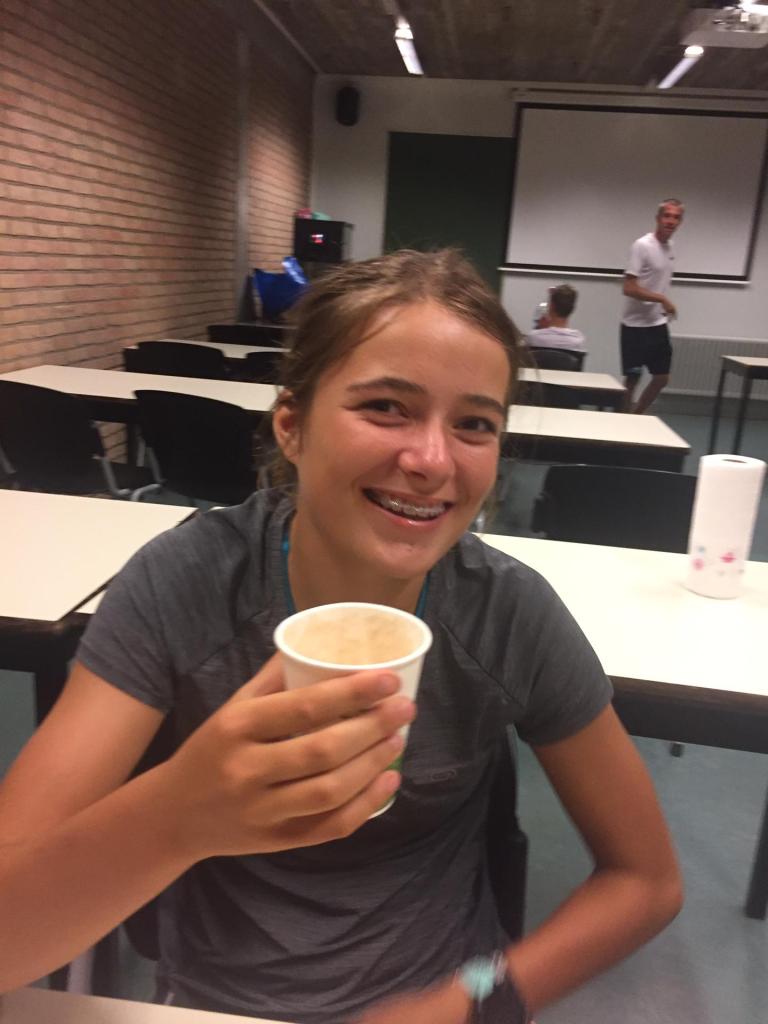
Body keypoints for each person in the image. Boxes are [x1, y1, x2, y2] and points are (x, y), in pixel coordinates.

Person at [0, 250, 682, 1024]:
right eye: (386, 407)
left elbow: (647, 880)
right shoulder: (185, 585)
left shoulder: (507, 614)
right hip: (217, 1003)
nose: (431, 461)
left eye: (474, 424)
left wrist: (466, 1003)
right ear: (291, 426)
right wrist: (179, 816)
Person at [621, 199, 685, 413]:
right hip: (634, 326)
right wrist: (662, 299)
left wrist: (661, 303)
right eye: (667, 216)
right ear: (658, 218)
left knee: (662, 378)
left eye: (676, 217)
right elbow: (629, 288)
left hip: (657, 324)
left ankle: (637, 416)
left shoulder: (670, 247)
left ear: (680, 222)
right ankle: (621, 421)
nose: (671, 221)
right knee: (632, 379)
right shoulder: (642, 245)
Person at [526, 284, 586, 354]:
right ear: (573, 309)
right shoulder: (578, 340)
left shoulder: (533, 338)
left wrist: (539, 329)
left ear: (551, 306)